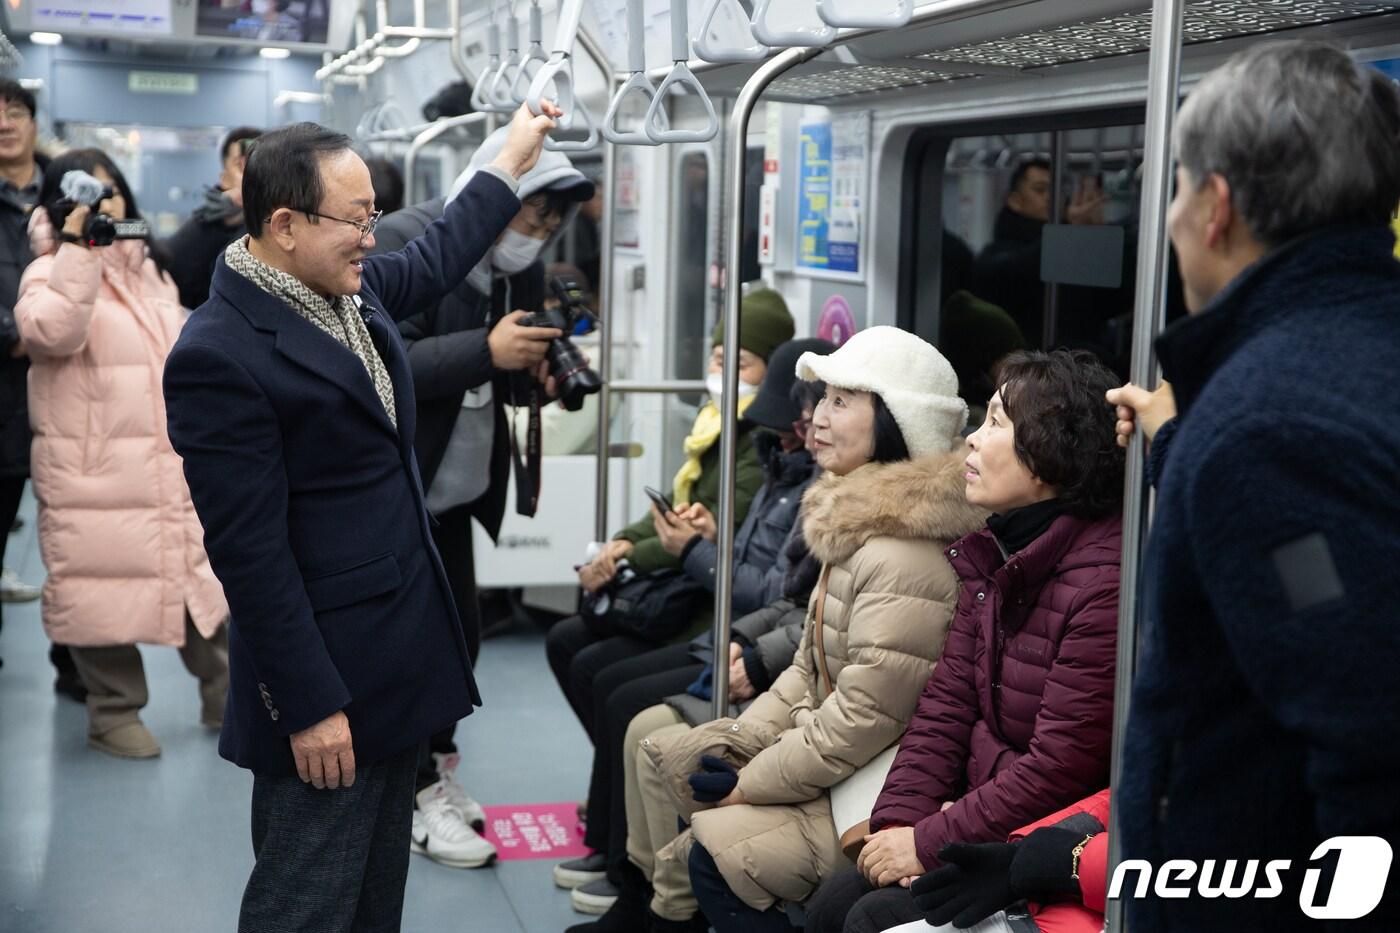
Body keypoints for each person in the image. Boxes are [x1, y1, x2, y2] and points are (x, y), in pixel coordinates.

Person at [161, 103, 557, 932]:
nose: (372, 238)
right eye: (356, 219)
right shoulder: (220, 354)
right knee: (305, 903)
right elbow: (251, 554)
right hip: (325, 676)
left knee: (374, 899)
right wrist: (307, 704)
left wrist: (511, 158)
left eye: (373, 215)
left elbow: (441, 253)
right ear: (284, 224)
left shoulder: (343, 291)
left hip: (394, 656)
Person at [1107, 42, 1400, 932]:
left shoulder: (1268, 432)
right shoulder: (1352, 361)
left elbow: (1367, 737)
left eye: (1178, 184)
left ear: (1217, 207)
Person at [634, 327, 986, 933]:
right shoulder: (859, 524)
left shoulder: (902, 553)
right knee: (687, 776)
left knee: (712, 853)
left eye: (843, 401)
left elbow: (863, 716)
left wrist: (750, 784)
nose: (818, 418)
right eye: (822, 399)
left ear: (897, 421)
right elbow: (806, 669)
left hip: (872, 791)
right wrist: (746, 739)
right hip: (833, 764)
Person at [804, 348, 1124, 933]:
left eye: (996, 424)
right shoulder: (996, 551)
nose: (972, 442)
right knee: (835, 902)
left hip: (1037, 843)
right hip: (974, 810)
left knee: (869, 918)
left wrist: (929, 840)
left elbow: (1060, 769)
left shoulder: (1102, 585)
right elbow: (945, 707)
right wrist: (898, 826)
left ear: (1051, 454)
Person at [369, 126, 595, 870]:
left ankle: (435, 768)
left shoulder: (517, 268)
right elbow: (378, 362)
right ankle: (411, 794)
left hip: (460, 486)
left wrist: (535, 376)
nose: (542, 234)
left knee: (458, 642)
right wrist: (485, 352)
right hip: (401, 489)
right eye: (535, 215)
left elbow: (500, 362)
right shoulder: (405, 241)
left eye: (555, 223)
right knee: (407, 650)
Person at [558, 338, 833, 922]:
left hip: (751, 642)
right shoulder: (769, 461)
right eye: (805, 419)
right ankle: (634, 876)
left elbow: (787, 601)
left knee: (635, 711)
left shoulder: (818, 492)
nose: (807, 432)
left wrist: (700, 559)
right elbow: (781, 594)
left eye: (817, 418)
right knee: (601, 677)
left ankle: (655, 897)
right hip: (742, 634)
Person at [16, 148, 231, 758]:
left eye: (111, 192)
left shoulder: (152, 271)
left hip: (170, 463)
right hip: (93, 474)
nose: (103, 204)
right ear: (58, 205)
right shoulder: (45, 272)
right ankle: (113, 712)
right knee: (99, 593)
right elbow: (54, 331)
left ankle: (228, 698)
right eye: (86, 193)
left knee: (200, 588)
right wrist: (78, 251)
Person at [545, 290, 794, 741]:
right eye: (718, 359)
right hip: (686, 581)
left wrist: (629, 559)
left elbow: (704, 530)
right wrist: (621, 542)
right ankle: (613, 776)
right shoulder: (712, 425)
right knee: (567, 643)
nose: (721, 373)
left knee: (600, 675)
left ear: (770, 372)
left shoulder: (756, 444)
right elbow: (677, 502)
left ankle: (615, 781)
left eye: (740, 364)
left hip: (702, 602)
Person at [0, 78, 60, 679]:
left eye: (14, 111)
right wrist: (15, 332)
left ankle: (76, 669)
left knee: (76, 533)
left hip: (69, 390)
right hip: (5, 387)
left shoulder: (68, 189)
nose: (5, 123)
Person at [884, 789, 1111, 933]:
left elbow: (1049, 771)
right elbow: (1117, 803)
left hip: (1086, 907)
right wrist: (1023, 853)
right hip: (1041, 905)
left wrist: (1069, 859)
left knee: (875, 912)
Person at [970, 160, 1105, 342]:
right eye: (1040, 190)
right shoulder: (997, 254)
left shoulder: (1070, 248)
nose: (1051, 197)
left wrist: (1098, 236)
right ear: (1014, 201)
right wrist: (1070, 231)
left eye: (1056, 190)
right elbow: (1021, 269)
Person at [164, 125, 261, 311]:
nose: (251, 174)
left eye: (257, 163)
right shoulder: (206, 222)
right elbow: (172, 270)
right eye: (241, 165)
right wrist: (219, 220)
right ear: (224, 178)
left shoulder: (278, 225)